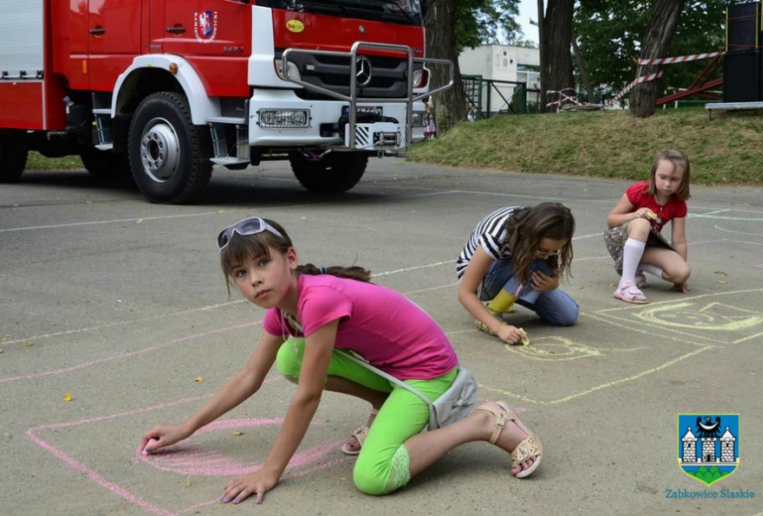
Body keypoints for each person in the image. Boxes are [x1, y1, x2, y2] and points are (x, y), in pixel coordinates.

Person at [141, 217, 543, 504]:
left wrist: (270, 471)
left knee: (374, 476)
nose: (255, 279)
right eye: (241, 273)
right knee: (289, 357)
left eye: (263, 263)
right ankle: (384, 405)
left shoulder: (319, 299)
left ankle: (483, 422)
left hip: (428, 376)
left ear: (291, 258)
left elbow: (308, 397)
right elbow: (250, 377)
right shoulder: (283, 309)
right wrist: (185, 428)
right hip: (392, 372)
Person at [457, 204, 578, 345]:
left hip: (518, 275)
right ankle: (493, 312)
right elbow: (465, 293)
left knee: (567, 315)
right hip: (482, 278)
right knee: (536, 263)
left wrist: (554, 283)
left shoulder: (545, 231)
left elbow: (548, 259)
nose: (547, 256)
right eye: (543, 250)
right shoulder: (497, 236)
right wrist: (499, 328)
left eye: (554, 251)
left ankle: (509, 294)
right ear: (530, 236)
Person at [604, 148, 692, 304]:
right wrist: (635, 214)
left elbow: (679, 241)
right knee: (642, 223)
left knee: (682, 272)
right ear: (654, 173)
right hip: (621, 240)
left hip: (647, 245)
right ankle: (626, 285)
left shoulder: (678, 203)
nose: (667, 184)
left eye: (674, 179)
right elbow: (611, 219)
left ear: (683, 179)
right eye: (662, 177)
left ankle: (632, 265)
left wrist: (680, 280)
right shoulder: (639, 191)